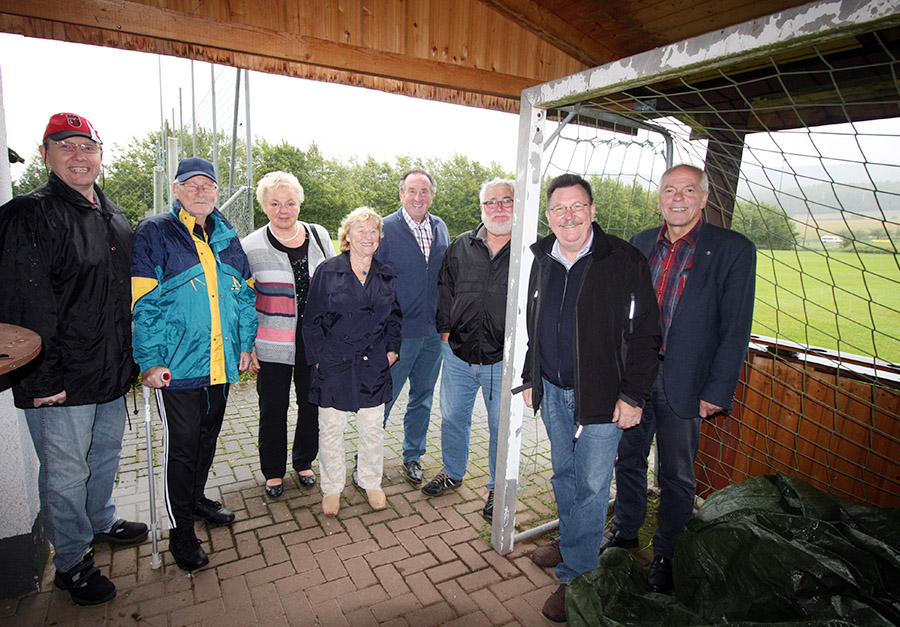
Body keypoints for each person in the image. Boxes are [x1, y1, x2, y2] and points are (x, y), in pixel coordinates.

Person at [0, 112, 147, 606]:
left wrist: (133, 361)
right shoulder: (28, 215)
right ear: (45, 155)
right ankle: (71, 562)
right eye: (65, 146)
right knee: (65, 474)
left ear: (101, 156)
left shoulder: (112, 214)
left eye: (87, 146)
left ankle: (100, 520)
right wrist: (42, 379)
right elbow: (21, 304)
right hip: (60, 379)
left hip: (110, 370)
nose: (78, 155)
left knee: (103, 457)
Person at [602, 164, 756, 594]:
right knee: (627, 459)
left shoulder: (732, 249)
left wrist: (718, 389)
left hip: (686, 382)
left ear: (703, 198)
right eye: (670, 190)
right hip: (636, 378)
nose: (678, 198)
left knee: (676, 473)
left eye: (688, 190)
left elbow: (735, 328)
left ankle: (668, 552)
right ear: (659, 198)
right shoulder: (639, 244)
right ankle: (626, 530)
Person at [521, 173, 660, 623]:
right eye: (559, 208)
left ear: (593, 210)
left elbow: (646, 334)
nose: (569, 216)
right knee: (564, 474)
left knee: (593, 485)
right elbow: (536, 323)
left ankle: (577, 576)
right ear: (548, 216)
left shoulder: (623, 259)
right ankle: (572, 541)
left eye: (577, 206)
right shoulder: (542, 257)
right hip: (552, 390)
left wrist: (633, 395)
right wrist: (531, 377)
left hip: (603, 396)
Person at [132, 157, 257, 572]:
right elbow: (143, 302)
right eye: (192, 185)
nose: (201, 192)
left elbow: (245, 295)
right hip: (177, 366)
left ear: (217, 192)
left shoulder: (226, 235)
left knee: (206, 438)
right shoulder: (155, 232)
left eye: (208, 186)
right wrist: (150, 360)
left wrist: (246, 343)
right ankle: (180, 529)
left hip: (219, 363)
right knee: (182, 448)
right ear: (176, 189)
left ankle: (197, 498)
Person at [420, 178, 515, 520]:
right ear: (481, 208)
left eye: (506, 201)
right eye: (491, 202)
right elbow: (445, 289)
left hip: (502, 358)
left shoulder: (529, 248)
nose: (498, 208)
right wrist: (445, 333)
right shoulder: (461, 245)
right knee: (452, 417)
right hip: (458, 352)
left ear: (517, 205)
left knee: (499, 426)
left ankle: (497, 488)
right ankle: (452, 471)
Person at [303, 207, 402, 517]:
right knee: (331, 428)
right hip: (335, 360)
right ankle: (332, 488)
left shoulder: (385, 273)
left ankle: (371, 481)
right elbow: (311, 319)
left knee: (372, 428)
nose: (368, 236)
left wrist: (392, 351)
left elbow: (394, 317)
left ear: (379, 237)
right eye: (361, 230)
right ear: (347, 236)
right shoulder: (328, 270)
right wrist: (318, 358)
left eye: (373, 231)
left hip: (373, 362)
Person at [242, 171, 335, 498]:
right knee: (273, 408)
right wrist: (247, 344)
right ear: (264, 206)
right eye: (275, 203)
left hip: (314, 341)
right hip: (271, 341)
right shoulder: (250, 246)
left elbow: (335, 284)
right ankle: (273, 471)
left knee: (311, 404)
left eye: (290, 203)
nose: (283, 210)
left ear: (300, 203)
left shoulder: (319, 235)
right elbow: (242, 299)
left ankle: (304, 461)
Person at [373, 168, 450, 484]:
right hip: (398, 335)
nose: (418, 197)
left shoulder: (440, 227)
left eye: (424, 191)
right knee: (383, 399)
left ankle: (413, 455)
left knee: (423, 398)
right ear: (401, 193)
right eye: (412, 190)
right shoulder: (385, 229)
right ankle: (366, 460)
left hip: (432, 334)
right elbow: (372, 281)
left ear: (432, 195)